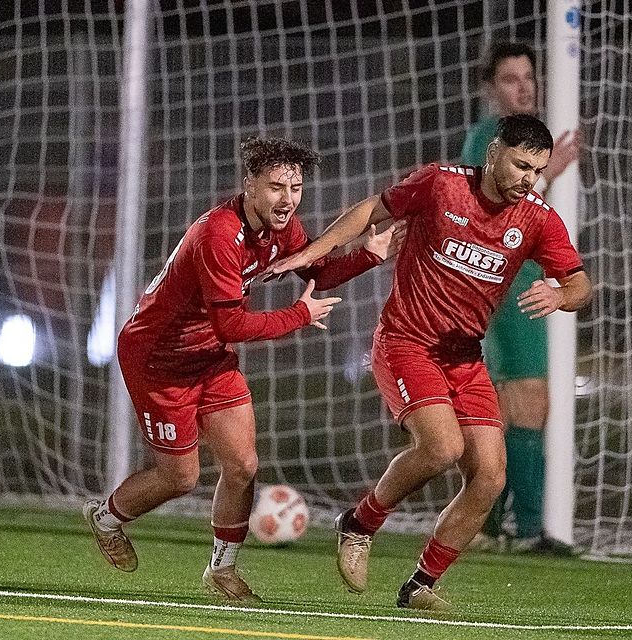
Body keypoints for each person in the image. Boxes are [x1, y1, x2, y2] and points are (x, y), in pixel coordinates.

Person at [265, 115, 592, 611]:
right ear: (494, 153)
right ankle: (360, 523)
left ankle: (420, 584)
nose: (528, 178)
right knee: (441, 447)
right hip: (407, 343)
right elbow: (369, 209)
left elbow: (580, 282)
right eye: (521, 165)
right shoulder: (440, 184)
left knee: (490, 477)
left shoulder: (538, 218)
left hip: (464, 358)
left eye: (537, 170)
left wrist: (562, 295)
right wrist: (310, 253)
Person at [83, 137, 405, 602]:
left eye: (295, 188)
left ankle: (223, 569)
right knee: (180, 477)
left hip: (211, 356)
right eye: (276, 187)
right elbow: (231, 324)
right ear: (249, 184)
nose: (288, 200)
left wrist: (370, 255)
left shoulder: (280, 226)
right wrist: (299, 315)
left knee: (243, 465)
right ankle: (106, 518)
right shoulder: (218, 235)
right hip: (159, 360)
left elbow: (315, 270)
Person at [461, 42, 582, 555]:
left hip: (529, 278)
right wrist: (550, 174)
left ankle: (488, 525)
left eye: (529, 77)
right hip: (510, 285)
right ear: (490, 89)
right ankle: (529, 528)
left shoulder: (530, 138)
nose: (524, 87)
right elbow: (485, 210)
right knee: (530, 399)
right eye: (511, 79)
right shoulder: (489, 139)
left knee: (511, 409)